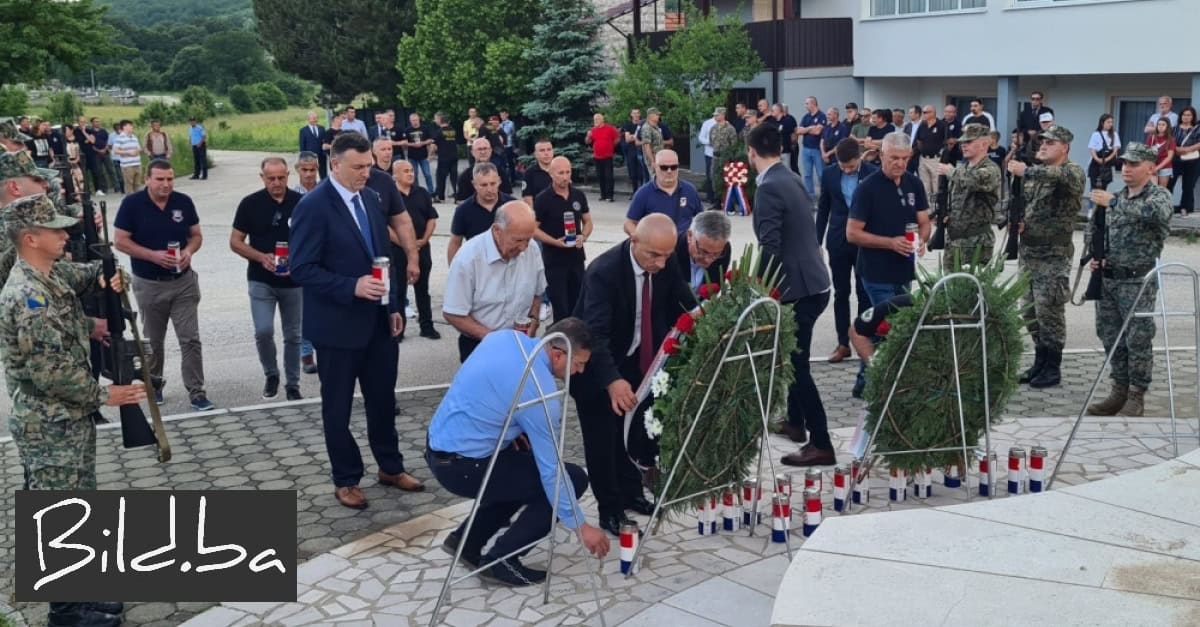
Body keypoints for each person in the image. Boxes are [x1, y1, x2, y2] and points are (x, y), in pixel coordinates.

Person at [0, 194, 144, 627]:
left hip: (68, 421)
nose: (66, 235)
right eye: (56, 230)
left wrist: (112, 278)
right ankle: (65, 612)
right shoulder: (28, 297)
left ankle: (80, 592)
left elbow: (93, 274)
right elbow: (49, 373)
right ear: (30, 238)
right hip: (49, 424)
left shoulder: (49, 274)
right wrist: (105, 396)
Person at [289, 132, 422, 510]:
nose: (367, 173)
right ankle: (346, 479)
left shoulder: (371, 198)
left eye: (369, 166)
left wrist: (394, 305)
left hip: (378, 323)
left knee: (382, 400)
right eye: (359, 167)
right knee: (338, 407)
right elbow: (301, 268)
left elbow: (383, 259)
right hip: (337, 328)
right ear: (335, 164)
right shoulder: (314, 206)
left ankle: (390, 467)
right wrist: (351, 287)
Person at [427, 317, 610, 585]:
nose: (580, 371)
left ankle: (466, 541)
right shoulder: (539, 392)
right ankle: (502, 560)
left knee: (520, 470)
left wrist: (513, 428)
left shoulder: (506, 338)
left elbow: (489, 386)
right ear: (558, 354)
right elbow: (552, 471)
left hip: (438, 447)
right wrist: (580, 526)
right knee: (571, 478)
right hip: (464, 467)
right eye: (579, 363)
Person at [571, 214, 696, 534]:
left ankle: (631, 493)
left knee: (631, 434)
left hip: (634, 361)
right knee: (603, 441)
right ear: (634, 241)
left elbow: (685, 301)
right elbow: (594, 336)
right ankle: (609, 510)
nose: (660, 263)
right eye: (654, 255)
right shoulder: (604, 272)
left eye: (667, 256)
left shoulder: (665, 262)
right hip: (593, 368)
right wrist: (612, 381)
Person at [746, 123, 836, 466]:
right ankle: (796, 424)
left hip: (798, 290)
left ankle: (822, 442)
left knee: (796, 366)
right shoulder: (791, 176)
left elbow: (769, 245)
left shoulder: (769, 187)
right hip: (812, 282)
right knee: (794, 358)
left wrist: (757, 290)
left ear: (751, 152)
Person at [113, 159, 215, 411]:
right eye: (160, 179)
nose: (166, 184)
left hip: (183, 282)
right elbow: (120, 241)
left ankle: (196, 391)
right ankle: (154, 384)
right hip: (149, 283)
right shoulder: (132, 204)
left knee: (190, 339)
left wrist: (189, 251)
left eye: (170, 178)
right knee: (153, 341)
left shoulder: (183, 202)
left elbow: (196, 235)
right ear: (148, 179)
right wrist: (153, 255)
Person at [1084, 143, 1173, 418]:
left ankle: (1136, 394)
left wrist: (1112, 202)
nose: (1126, 168)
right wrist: (1094, 256)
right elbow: (1094, 229)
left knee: (1138, 339)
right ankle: (1118, 390)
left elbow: (1155, 215)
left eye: (1133, 164)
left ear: (1150, 167)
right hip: (1108, 279)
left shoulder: (1158, 196)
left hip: (1137, 282)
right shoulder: (1116, 196)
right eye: (1124, 163)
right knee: (1111, 337)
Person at [1007, 125, 1086, 389]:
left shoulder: (1071, 171)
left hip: (1053, 255)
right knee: (1028, 311)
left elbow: (1059, 178)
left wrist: (1026, 170)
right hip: (1029, 253)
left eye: (1050, 143)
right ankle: (1040, 360)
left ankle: (1053, 366)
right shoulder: (1034, 175)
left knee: (1049, 310)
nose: (1043, 145)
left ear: (1065, 147)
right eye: (1042, 141)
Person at [230, 157, 304, 401]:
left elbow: (315, 238)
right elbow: (236, 242)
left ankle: (293, 384)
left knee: (293, 334)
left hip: (294, 281)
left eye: (281, 177)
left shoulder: (301, 202)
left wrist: (298, 257)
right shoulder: (250, 204)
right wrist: (261, 257)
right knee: (263, 330)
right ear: (262, 178)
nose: (276, 183)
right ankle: (271, 373)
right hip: (261, 278)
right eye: (271, 178)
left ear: (288, 176)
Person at [443, 201, 545, 362]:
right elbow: (453, 312)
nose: (524, 247)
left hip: (521, 342)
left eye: (528, 239)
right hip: (479, 344)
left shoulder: (532, 249)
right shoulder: (468, 258)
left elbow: (537, 294)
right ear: (497, 231)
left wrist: (534, 320)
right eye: (518, 240)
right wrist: (494, 339)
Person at [817, 138, 876, 364]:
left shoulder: (872, 173)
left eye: (851, 166)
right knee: (841, 293)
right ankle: (843, 343)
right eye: (843, 166)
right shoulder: (830, 174)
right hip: (838, 240)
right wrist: (817, 241)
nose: (847, 170)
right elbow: (823, 208)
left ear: (859, 157)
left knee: (864, 292)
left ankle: (863, 340)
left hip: (864, 241)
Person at [534, 157, 592, 322]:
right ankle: (559, 343)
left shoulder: (578, 195)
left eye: (568, 172)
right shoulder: (543, 199)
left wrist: (584, 236)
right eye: (560, 173)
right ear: (551, 174)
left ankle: (576, 342)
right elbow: (533, 229)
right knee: (561, 308)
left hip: (576, 259)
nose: (565, 177)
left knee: (578, 306)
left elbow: (588, 221)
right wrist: (554, 241)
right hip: (554, 262)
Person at [936, 124, 1001, 270]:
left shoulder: (990, 169)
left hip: (976, 242)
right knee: (949, 285)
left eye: (969, 142)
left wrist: (951, 172)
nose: (964, 146)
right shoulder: (962, 168)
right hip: (954, 239)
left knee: (972, 287)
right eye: (963, 143)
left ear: (984, 144)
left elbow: (973, 181)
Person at [392, 159, 441, 340]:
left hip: (422, 248)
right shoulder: (391, 195)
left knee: (423, 290)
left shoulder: (422, 193)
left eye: (411, 170)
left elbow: (432, 218)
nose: (411, 173)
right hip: (398, 251)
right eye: (405, 171)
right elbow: (385, 225)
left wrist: (424, 239)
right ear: (395, 175)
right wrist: (406, 244)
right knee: (399, 292)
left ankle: (427, 327)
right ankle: (399, 330)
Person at [448, 162, 517, 263]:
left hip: (509, 263)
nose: (489, 189)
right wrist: (453, 272)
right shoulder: (463, 210)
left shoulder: (513, 206)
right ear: (474, 184)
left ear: (499, 181)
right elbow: (455, 243)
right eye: (483, 185)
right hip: (477, 265)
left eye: (493, 184)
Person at [290, 152, 321, 373]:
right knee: (303, 308)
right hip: (302, 255)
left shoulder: (325, 191)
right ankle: (306, 353)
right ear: (297, 169)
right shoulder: (292, 196)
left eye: (312, 170)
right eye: (305, 170)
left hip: (324, 255)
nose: (309, 174)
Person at [623, 149, 701, 236]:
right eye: (664, 167)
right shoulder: (644, 193)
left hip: (684, 244)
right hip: (656, 245)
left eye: (673, 167)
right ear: (655, 167)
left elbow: (702, 219)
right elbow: (629, 223)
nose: (669, 171)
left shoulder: (690, 190)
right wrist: (640, 239)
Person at [675, 209, 731, 292]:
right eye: (704, 251)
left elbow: (715, 288)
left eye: (716, 254)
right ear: (690, 235)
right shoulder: (671, 250)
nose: (708, 260)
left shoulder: (724, 250)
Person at [796, 96, 827, 195]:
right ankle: (810, 197)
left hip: (817, 149)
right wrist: (810, 128)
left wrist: (806, 130)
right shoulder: (806, 117)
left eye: (806, 103)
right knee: (807, 175)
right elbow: (798, 131)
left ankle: (824, 196)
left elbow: (818, 131)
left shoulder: (821, 116)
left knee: (821, 174)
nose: (805, 105)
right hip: (806, 149)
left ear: (813, 104)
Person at [587, 113, 620, 203]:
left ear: (602, 119)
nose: (596, 121)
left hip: (607, 156)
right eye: (594, 119)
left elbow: (617, 138)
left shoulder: (609, 128)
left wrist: (611, 146)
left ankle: (610, 196)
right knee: (600, 176)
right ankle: (603, 195)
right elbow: (587, 141)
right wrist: (588, 135)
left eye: (597, 119)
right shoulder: (593, 130)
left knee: (608, 176)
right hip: (597, 156)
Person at [1175, 107, 1200, 217]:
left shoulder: (1197, 128)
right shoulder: (1174, 128)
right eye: (1184, 115)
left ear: (1193, 117)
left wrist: (1188, 149)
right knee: (1170, 182)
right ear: (1181, 116)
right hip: (1176, 158)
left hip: (1193, 159)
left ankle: (1185, 207)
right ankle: (1166, 206)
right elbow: (1169, 141)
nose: (1186, 117)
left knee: (1188, 185)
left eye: (1189, 115)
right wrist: (1178, 149)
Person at [1087, 114, 1121, 194]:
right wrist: (1097, 159)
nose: (1110, 124)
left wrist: (1106, 159)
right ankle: (1092, 204)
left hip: (1107, 162)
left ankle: (1101, 205)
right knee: (1094, 185)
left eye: (1111, 122)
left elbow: (1115, 149)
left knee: (1104, 185)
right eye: (1108, 122)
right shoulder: (1095, 134)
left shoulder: (1114, 134)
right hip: (1096, 161)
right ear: (1102, 123)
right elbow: (1092, 149)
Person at [403, 113, 436, 191]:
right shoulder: (407, 130)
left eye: (416, 120)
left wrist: (423, 143)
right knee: (414, 175)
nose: (414, 122)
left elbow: (430, 140)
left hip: (423, 156)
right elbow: (404, 143)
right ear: (410, 121)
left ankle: (431, 192)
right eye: (412, 120)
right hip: (412, 156)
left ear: (419, 120)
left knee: (427, 174)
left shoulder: (425, 128)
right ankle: (416, 191)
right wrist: (413, 144)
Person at [432, 112, 459, 202]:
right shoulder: (453, 130)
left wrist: (430, 155)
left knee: (441, 177)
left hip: (443, 158)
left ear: (440, 121)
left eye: (436, 119)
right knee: (454, 177)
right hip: (454, 156)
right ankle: (457, 195)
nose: (435, 121)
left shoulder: (439, 132)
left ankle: (441, 197)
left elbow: (434, 146)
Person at [110, 120, 142, 193]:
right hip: (127, 165)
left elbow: (139, 148)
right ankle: (130, 200)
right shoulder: (119, 138)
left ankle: (138, 200)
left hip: (137, 163)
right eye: (130, 125)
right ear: (124, 127)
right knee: (129, 184)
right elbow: (115, 150)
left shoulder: (134, 137)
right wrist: (128, 152)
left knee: (137, 184)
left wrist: (137, 151)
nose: (132, 127)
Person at [521, 139, 555, 207]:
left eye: (549, 149)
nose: (546, 153)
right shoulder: (529, 174)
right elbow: (528, 200)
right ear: (535, 154)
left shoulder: (560, 170)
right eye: (542, 150)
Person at [621, 109, 646, 194]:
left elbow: (645, 137)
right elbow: (627, 139)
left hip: (641, 151)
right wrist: (637, 136)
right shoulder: (628, 125)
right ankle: (634, 192)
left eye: (637, 113)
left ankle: (642, 192)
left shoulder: (643, 124)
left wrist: (633, 136)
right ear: (631, 115)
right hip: (631, 151)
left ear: (640, 114)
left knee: (642, 173)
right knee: (633, 173)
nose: (635, 115)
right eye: (634, 113)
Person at [637, 108, 666, 179]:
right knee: (656, 179)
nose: (658, 116)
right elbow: (647, 146)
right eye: (657, 114)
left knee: (661, 178)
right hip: (653, 158)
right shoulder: (647, 128)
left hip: (659, 157)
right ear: (651, 116)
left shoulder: (655, 126)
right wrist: (652, 161)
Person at [1147, 117, 1175, 189]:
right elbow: (1146, 153)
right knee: (1153, 189)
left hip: (1165, 167)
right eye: (1159, 124)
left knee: (1162, 190)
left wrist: (1157, 168)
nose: (1160, 127)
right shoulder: (1151, 137)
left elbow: (1169, 157)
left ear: (1167, 126)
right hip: (1152, 165)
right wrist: (1152, 166)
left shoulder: (1171, 140)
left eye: (1163, 125)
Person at [299, 111, 328, 180]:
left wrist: (325, 153)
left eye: (316, 118)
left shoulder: (322, 128)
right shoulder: (303, 130)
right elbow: (302, 144)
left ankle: (323, 186)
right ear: (308, 119)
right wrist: (303, 157)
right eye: (313, 118)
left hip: (321, 155)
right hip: (310, 156)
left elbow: (324, 141)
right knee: (310, 173)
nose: (315, 120)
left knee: (323, 174)